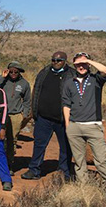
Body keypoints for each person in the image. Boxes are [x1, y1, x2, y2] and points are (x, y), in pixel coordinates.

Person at [21, 51, 75, 180]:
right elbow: (36, 90)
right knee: (39, 144)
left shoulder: (72, 74)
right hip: (43, 117)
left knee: (66, 146)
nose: (56, 63)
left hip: (63, 119)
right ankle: (34, 170)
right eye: (53, 60)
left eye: (59, 60)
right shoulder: (44, 72)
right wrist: (34, 111)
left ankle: (64, 172)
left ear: (65, 61)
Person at [63, 52, 106, 182]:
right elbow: (66, 104)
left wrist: (88, 61)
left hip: (93, 126)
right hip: (75, 126)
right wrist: (68, 125)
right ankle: (84, 187)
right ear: (74, 65)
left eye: (84, 63)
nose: (81, 66)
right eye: (78, 64)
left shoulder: (96, 79)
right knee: (79, 160)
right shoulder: (69, 83)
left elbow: (105, 70)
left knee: (101, 159)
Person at [0, 61, 31, 175]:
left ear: (20, 72)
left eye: (16, 71)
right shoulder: (1, 80)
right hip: (1, 114)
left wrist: (24, 115)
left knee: (12, 140)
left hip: (15, 115)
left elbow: (27, 100)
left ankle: (9, 164)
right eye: (11, 71)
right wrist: (2, 77)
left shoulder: (24, 84)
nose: (13, 73)